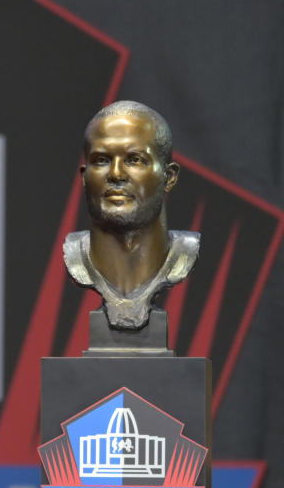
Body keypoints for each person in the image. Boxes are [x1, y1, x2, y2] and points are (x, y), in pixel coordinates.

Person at [63, 100, 199, 330]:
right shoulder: (75, 255)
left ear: (170, 176)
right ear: (85, 177)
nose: (116, 174)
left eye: (134, 159)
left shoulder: (185, 253)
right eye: (102, 160)